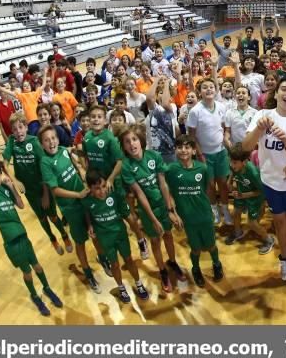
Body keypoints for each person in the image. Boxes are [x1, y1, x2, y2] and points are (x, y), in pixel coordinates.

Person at [0, 158, 63, 316]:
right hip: (12, 242)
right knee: (27, 272)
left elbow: (21, 205)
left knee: (38, 266)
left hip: (23, 236)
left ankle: (47, 288)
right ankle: (35, 296)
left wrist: (11, 186)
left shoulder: (6, 189)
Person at [242, 77, 286, 282]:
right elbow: (246, 147)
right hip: (271, 182)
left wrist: (284, 138)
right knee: (279, 223)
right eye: (284, 89)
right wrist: (259, 129)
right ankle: (284, 258)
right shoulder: (262, 115)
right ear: (277, 93)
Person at [119, 127, 189, 293]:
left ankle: (172, 262)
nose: (132, 144)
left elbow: (163, 184)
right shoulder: (127, 166)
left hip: (163, 205)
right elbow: (139, 194)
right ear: (124, 147)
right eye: (127, 142)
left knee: (168, 236)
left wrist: (171, 209)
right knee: (156, 241)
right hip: (148, 210)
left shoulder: (154, 156)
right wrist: (153, 219)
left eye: (134, 139)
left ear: (141, 141)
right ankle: (162, 270)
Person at [80, 105, 149, 259]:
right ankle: (105, 252)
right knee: (100, 215)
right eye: (93, 117)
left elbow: (119, 161)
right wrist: (87, 175)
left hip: (112, 184)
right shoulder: (87, 137)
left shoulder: (110, 138)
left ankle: (141, 239)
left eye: (99, 117)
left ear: (105, 121)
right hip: (97, 186)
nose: (96, 119)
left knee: (126, 214)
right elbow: (85, 157)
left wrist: (110, 179)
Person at [38, 125, 102, 293]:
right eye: (46, 140)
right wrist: (77, 195)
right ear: (42, 144)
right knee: (80, 241)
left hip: (83, 196)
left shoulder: (63, 151)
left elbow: (74, 164)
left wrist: (81, 174)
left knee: (94, 230)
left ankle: (103, 258)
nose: (51, 142)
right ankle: (87, 272)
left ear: (57, 139)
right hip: (71, 206)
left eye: (53, 138)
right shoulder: (45, 162)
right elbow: (55, 190)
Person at [3, 112, 71, 255]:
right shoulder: (11, 141)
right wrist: (15, 181)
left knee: (53, 217)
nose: (18, 131)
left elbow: (45, 169)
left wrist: (46, 193)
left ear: (26, 127)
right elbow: (5, 163)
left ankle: (64, 235)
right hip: (30, 191)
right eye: (14, 129)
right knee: (42, 218)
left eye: (21, 127)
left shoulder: (34, 142)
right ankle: (52, 239)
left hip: (42, 188)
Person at [163, 135, 224, 286]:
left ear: (194, 150)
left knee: (211, 245)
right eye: (179, 147)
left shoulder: (202, 168)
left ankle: (216, 264)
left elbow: (206, 189)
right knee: (195, 248)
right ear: (175, 150)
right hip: (187, 219)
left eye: (187, 147)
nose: (183, 150)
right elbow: (168, 191)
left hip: (204, 215)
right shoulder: (170, 170)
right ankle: (195, 269)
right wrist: (173, 212)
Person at [83, 171, 150, 303]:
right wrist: (90, 226)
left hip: (120, 234)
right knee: (114, 264)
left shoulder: (114, 195)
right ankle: (121, 288)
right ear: (90, 188)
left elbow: (127, 214)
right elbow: (87, 214)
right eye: (97, 188)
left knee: (129, 260)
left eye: (103, 186)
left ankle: (139, 284)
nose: (102, 191)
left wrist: (139, 235)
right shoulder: (87, 201)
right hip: (105, 238)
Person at [187, 77, 232, 226]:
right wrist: (200, 156)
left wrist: (226, 140)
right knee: (210, 185)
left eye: (211, 87)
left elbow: (226, 127)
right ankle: (214, 210)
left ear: (216, 90)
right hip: (205, 154)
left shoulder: (221, 107)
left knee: (224, 184)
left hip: (221, 152)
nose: (209, 89)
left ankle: (225, 209)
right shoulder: (195, 111)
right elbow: (192, 137)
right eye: (205, 87)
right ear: (200, 92)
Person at [225, 144, 275, 254]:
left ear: (244, 162)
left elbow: (261, 191)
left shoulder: (253, 172)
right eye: (231, 161)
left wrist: (244, 195)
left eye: (234, 163)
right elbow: (233, 172)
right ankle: (238, 233)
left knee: (252, 223)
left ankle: (269, 239)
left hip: (255, 197)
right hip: (241, 193)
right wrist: (229, 181)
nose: (232, 165)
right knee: (235, 213)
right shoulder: (234, 165)